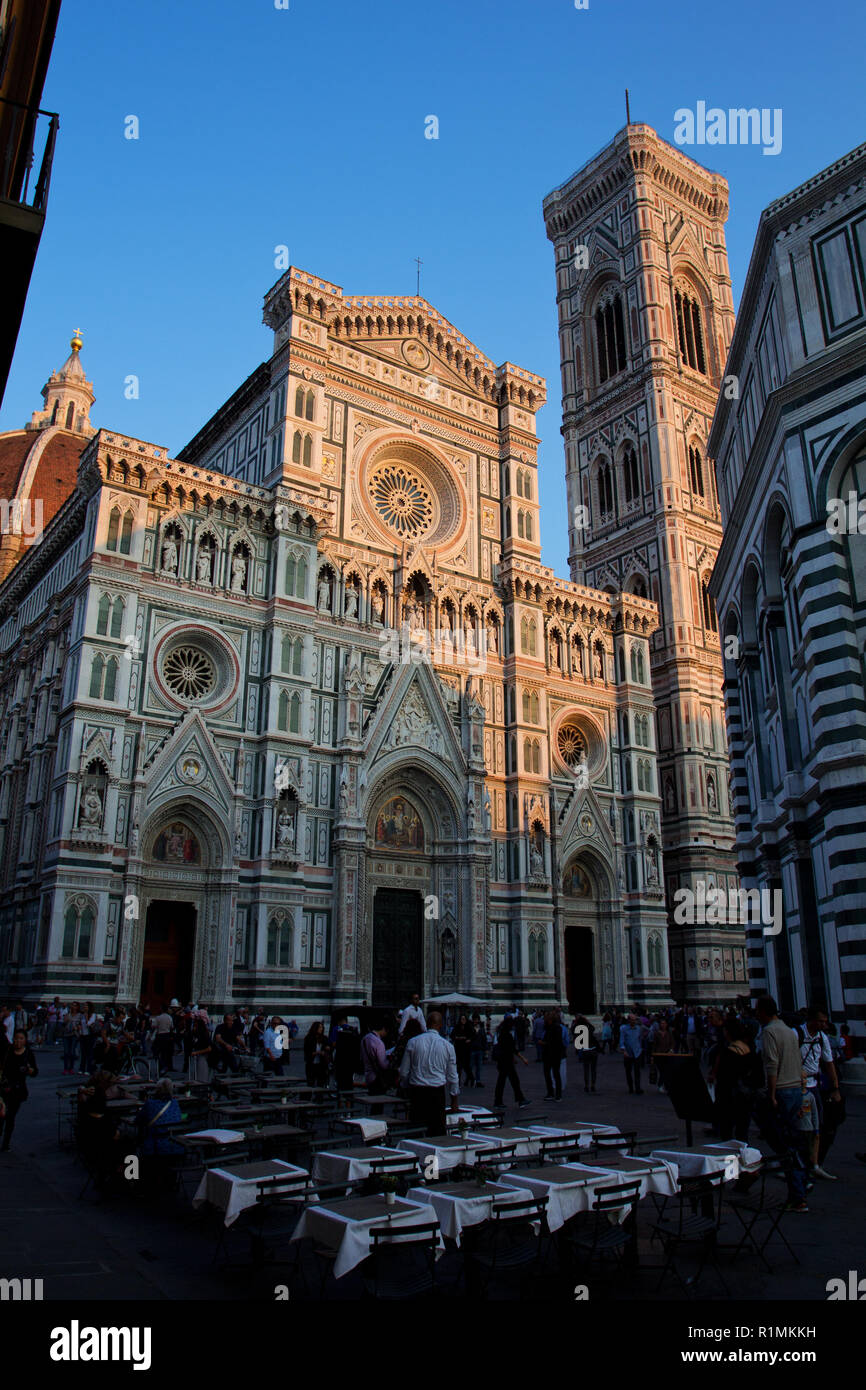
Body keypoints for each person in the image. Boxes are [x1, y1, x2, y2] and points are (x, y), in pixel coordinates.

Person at [755, 995, 809, 1213]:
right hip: (795, 1089)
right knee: (793, 1140)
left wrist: (772, 1094)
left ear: (764, 1012)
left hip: (783, 1091)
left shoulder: (769, 1032)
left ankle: (798, 1195)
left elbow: (771, 1065)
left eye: (757, 1010)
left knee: (784, 1142)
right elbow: (797, 1061)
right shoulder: (789, 1030)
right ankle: (802, 1182)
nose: (756, 1014)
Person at [798, 1005, 842, 1180]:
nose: (824, 1025)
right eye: (821, 1021)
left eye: (825, 1022)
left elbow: (829, 1063)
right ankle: (798, 1164)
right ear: (811, 1020)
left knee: (817, 1127)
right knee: (802, 1128)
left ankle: (814, 1164)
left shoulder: (822, 1038)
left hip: (814, 1086)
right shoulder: (797, 1035)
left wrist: (835, 1087)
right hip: (799, 1087)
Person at [398, 1010, 460, 1136]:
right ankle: (433, 1156)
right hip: (437, 1094)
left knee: (415, 1132)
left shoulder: (413, 1042)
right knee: (436, 1133)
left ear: (426, 1023)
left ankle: (415, 1154)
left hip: (417, 1093)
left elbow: (404, 1072)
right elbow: (453, 1077)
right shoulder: (448, 1046)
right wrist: (454, 1100)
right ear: (441, 1025)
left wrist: (406, 1088)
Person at [713, 1020, 757, 1140]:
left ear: (727, 1032)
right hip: (746, 1096)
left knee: (727, 1133)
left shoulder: (728, 1053)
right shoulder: (749, 1049)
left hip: (729, 1097)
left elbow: (722, 1078)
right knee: (742, 1133)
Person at [0, 1028, 38, 1150]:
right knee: (1, 1115)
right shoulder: (7, 1050)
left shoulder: (28, 1053)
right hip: (4, 1087)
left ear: (25, 1040)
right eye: (16, 1038)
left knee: (10, 1116)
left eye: (21, 1038)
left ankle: (6, 1142)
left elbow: (35, 1071)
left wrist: (31, 1071)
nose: (18, 1041)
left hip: (18, 1090)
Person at [137, 1079, 183, 1159]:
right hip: (175, 1145)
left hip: (155, 1147)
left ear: (157, 1090)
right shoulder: (175, 1103)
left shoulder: (150, 1104)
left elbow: (138, 1121)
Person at [492, 1016, 531, 1109]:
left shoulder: (501, 1033)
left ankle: (518, 1099)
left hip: (503, 1061)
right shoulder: (507, 1035)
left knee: (506, 1081)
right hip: (507, 1062)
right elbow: (513, 1049)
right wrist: (523, 1058)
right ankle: (501, 1101)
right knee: (512, 1081)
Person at [361, 1021, 391, 1099]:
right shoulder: (379, 1042)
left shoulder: (365, 1038)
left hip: (368, 1075)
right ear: (384, 1029)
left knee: (374, 1102)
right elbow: (383, 1064)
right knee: (378, 1103)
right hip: (377, 1078)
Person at [542, 1010, 565, 1101]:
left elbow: (552, 1042)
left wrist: (543, 1043)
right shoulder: (556, 1028)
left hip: (551, 1054)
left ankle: (553, 1094)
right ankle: (555, 1094)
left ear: (550, 1019)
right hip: (555, 1054)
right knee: (554, 1074)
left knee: (552, 1075)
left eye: (546, 1019)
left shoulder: (553, 1028)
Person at [619, 1013, 645, 1095]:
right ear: (629, 1020)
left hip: (637, 1052)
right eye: (632, 1020)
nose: (634, 1021)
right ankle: (630, 1087)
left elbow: (640, 1039)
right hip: (628, 1053)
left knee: (637, 1071)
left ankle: (638, 1088)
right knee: (628, 1071)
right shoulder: (624, 1029)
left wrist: (640, 1048)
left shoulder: (638, 1028)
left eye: (635, 1020)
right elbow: (621, 1041)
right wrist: (624, 1051)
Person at [575, 1015, 599, 1093]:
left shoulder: (579, 1030)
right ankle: (593, 1085)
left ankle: (586, 1085)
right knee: (593, 1069)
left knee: (586, 1069)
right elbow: (593, 1028)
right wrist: (587, 1022)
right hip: (593, 1050)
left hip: (585, 1051)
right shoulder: (589, 1029)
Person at [149, 1004, 176, 1076]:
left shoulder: (158, 1017)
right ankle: (163, 1067)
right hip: (167, 1036)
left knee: (156, 1052)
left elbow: (153, 1026)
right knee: (164, 1053)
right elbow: (172, 1027)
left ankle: (162, 1067)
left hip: (160, 1036)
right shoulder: (169, 1018)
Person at [304, 1021, 330, 1087]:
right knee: (310, 1083)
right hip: (311, 1064)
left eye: (322, 1027)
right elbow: (307, 1052)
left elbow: (329, 1048)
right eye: (319, 1027)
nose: (321, 1029)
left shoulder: (324, 1038)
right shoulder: (309, 1038)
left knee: (321, 1083)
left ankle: (319, 1096)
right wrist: (317, 1053)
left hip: (321, 1064)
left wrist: (327, 1048)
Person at [189, 1012, 212, 1082]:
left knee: (202, 1075)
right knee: (197, 1074)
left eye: (195, 1026)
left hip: (204, 1057)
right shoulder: (195, 1035)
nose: (194, 1027)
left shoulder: (204, 1035)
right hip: (198, 1056)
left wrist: (196, 1052)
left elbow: (209, 1048)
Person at [451, 1014, 473, 1088]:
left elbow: (472, 1036)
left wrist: (469, 1039)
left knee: (466, 1066)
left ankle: (472, 1079)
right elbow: (452, 1035)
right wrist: (457, 1038)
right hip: (459, 1049)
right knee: (458, 1067)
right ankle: (458, 1082)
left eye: (464, 1019)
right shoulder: (457, 1027)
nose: (463, 1020)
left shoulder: (469, 1027)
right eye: (461, 1019)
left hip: (466, 1049)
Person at [61, 1001, 83, 1075]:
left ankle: (71, 1068)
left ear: (77, 1007)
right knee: (66, 1052)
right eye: (72, 1005)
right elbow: (63, 1024)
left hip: (74, 1034)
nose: (73, 1007)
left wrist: (77, 1027)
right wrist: (66, 1020)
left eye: (75, 1006)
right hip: (66, 1034)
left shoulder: (80, 1015)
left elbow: (81, 1025)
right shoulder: (67, 1014)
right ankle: (65, 1068)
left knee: (72, 1051)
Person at [468, 1014, 486, 1088]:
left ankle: (478, 1081)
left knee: (479, 1067)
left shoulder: (481, 1029)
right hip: (472, 1049)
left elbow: (484, 1039)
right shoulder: (470, 1028)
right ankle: (471, 1079)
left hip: (479, 1049)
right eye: (474, 1019)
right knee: (470, 1066)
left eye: (477, 1019)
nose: (475, 1021)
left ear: (478, 1020)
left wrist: (485, 1049)